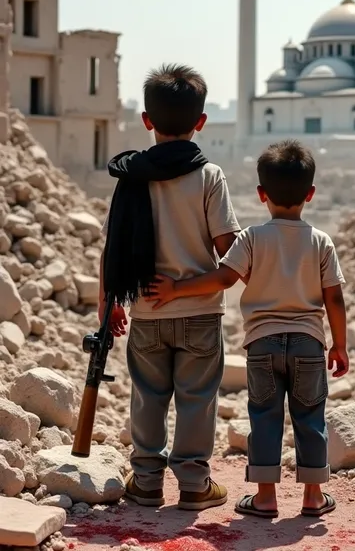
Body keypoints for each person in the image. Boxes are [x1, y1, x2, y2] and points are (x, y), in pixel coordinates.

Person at [145, 139, 349, 519]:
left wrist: (176, 288)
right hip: (308, 343)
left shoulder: (252, 238)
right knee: (310, 418)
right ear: (311, 193)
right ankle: (313, 496)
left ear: (260, 194)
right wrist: (339, 345)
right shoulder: (321, 241)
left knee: (265, 416)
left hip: (262, 344)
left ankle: (266, 497)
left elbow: (223, 278)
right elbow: (334, 299)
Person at [99, 63, 240, 511]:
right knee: (198, 399)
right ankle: (195, 485)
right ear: (201, 122)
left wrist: (109, 304)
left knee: (148, 398)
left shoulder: (131, 175)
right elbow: (229, 249)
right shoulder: (209, 175)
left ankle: (146, 482)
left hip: (145, 312)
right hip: (200, 311)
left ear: (146, 120)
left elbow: (113, 247)